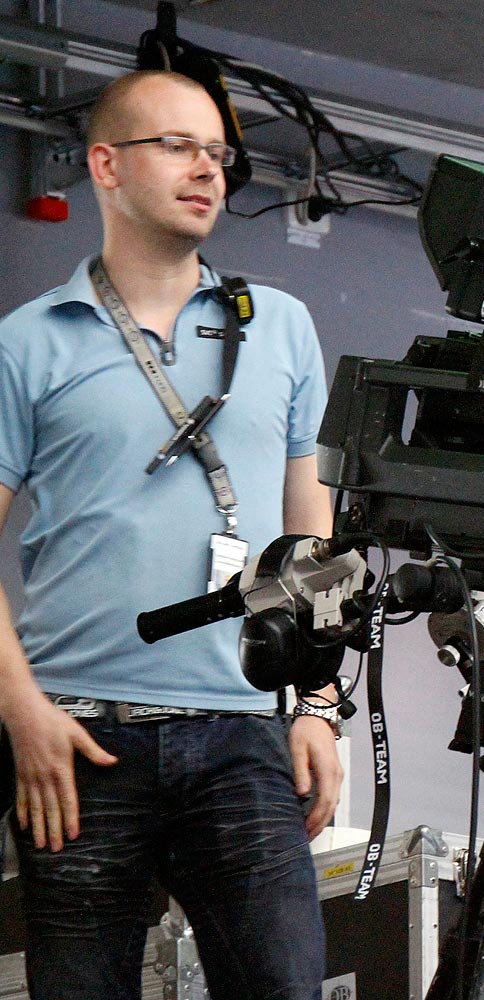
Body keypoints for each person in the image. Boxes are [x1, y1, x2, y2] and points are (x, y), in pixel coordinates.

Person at [0, 70, 341, 999]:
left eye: (220, 153)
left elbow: (310, 526)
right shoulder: (28, 342)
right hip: (76, 740)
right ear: (105, 165)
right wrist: (22, 713)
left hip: (242, 734)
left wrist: (318, 702)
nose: (210, 170)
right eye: (179, 146)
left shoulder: (279, 326)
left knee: (286, 988)